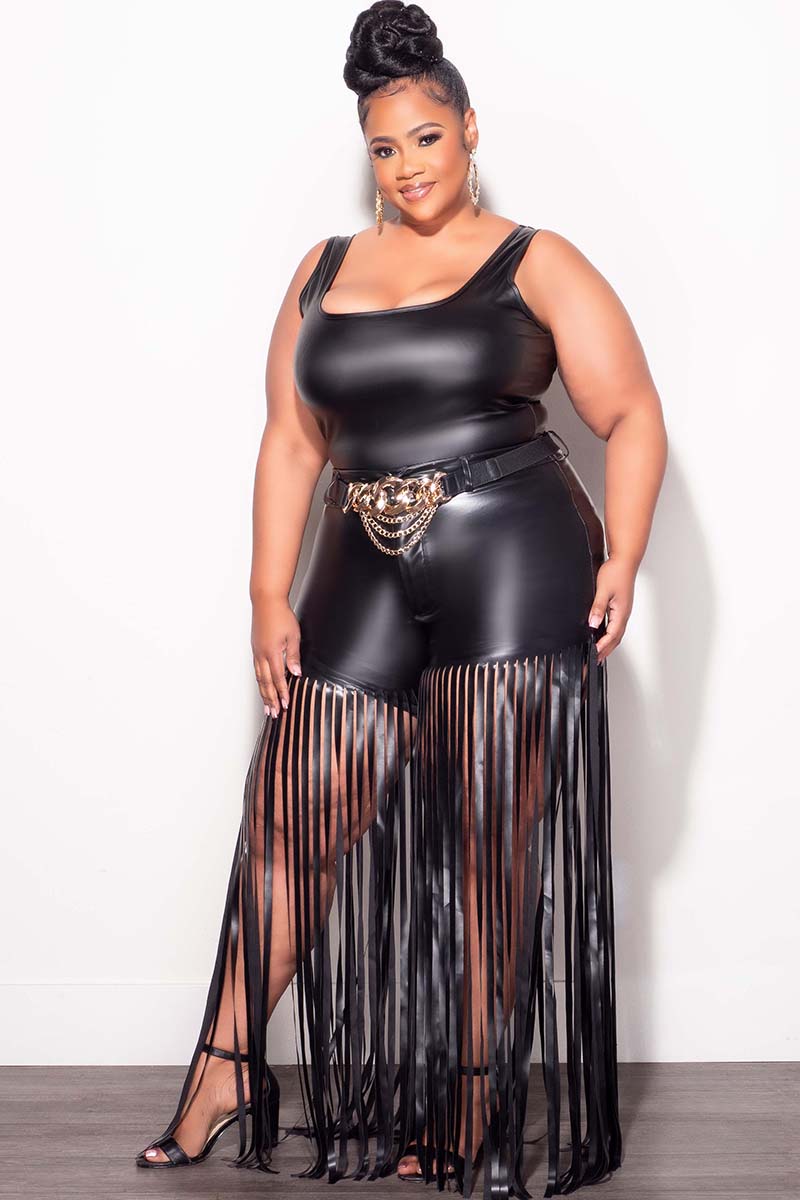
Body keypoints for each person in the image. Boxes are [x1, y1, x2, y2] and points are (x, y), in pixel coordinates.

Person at [135, 2, 667, 1196]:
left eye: (426, 138)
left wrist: (624, 554)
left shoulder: (534, 260)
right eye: (384, 147)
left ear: (468, 129)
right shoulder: (323, 271)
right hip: (357, 554)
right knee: (293, 815)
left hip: (509, 551)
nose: (408, 165)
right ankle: (224, 1071)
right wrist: (266, 591)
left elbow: (629, 412)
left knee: (487, 843)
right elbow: (291, 441)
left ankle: (470, 1102)